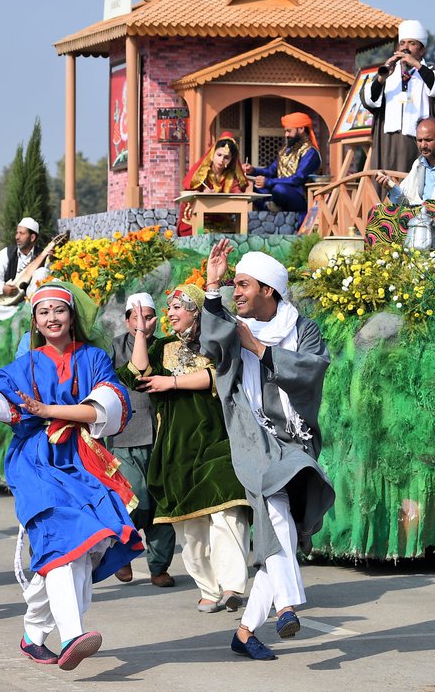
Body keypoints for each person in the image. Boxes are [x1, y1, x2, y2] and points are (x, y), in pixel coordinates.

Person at [0, 282, 141, 671]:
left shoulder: (93, 358)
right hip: (35, 462)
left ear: (72, 316)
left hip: (83, 459)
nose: (52, 317)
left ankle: (33, 634)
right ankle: (72, 635)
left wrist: (50, 410)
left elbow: (109, 407)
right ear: (35, 322)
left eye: (59, 310)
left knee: (84, 548)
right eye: (43, 312)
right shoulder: (22, 367)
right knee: (63, 540)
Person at [199, 242, 335, 661]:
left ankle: (244, 633)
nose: (236, 293)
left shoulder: (303, 329)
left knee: (282, 533)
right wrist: (212, 286)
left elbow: (312, 370)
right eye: (235, 285)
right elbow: (211, 342)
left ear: (268, 290)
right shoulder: (233, 324)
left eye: (243, 285)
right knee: (276, 510)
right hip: (253, 436)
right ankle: (287, 605)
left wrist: (258, 348)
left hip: (295, 438)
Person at [123, 285, 249, 614]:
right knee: (190, 527)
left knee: (228, 507)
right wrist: (141, 333)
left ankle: (232, 584)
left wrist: (173, 382)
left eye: (178, 306)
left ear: (196, 311)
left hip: (218, 440)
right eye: (169, 307)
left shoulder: (215, 343)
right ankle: (208, 588)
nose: (171, 312)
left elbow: (221, 375)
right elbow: (137, 374)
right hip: (176, 449)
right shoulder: (162, 347)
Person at [108, 293, 178, 588]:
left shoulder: (166, 347)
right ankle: (121, 554)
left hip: (162, 435)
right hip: (125, 436)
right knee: (132, 497)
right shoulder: (114, 347)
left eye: (149, 317)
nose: (143, 324)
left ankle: (159, 567)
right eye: (137, 317)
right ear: (127, 321)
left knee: (162, 502)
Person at [362, 20, 435, 173]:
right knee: (387, 180)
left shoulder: (430, 71)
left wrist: (417, 65)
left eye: (412, 43)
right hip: (388, 143)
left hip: (418, 144)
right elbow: (368, 100)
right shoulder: (388, 71)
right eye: (402, 43)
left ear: (422, 50)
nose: (406, 48)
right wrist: (382, 78)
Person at [242, 113, 321, 216]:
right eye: (285, 131)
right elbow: (270, 171)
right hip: (280, 193)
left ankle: (272, 208)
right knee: (250, 186)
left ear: (301, 129)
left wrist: (269, 182)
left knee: (279, 189)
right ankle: (270, 208)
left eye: (289, 131)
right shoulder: (285, 151)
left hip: (301, 196)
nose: (286, 135)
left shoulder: (310, 152)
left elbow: (297, 179)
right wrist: (253, 170)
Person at [0, 217, 48, 327]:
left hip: (31, 303)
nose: (17, 237)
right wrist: (3, 288)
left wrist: (51, 259)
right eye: (17, 233)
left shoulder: (43, 256)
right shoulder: (6, 253)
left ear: (32, 237)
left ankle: (27, 311)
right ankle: (18, 314)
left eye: (21, 233)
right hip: (9, 306)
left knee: (42, 272)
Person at [177, 133, 251, 236]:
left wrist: (244, 194)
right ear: (212, 154)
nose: (221, 160)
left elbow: (236, 192)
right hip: (195, 218)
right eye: (219, 155)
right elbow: (188, 194)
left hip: (219, 219)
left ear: (231, 160)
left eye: (226, 157)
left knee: (234, 234)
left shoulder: (230, 176)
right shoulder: (201, 173)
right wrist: (202, 194)